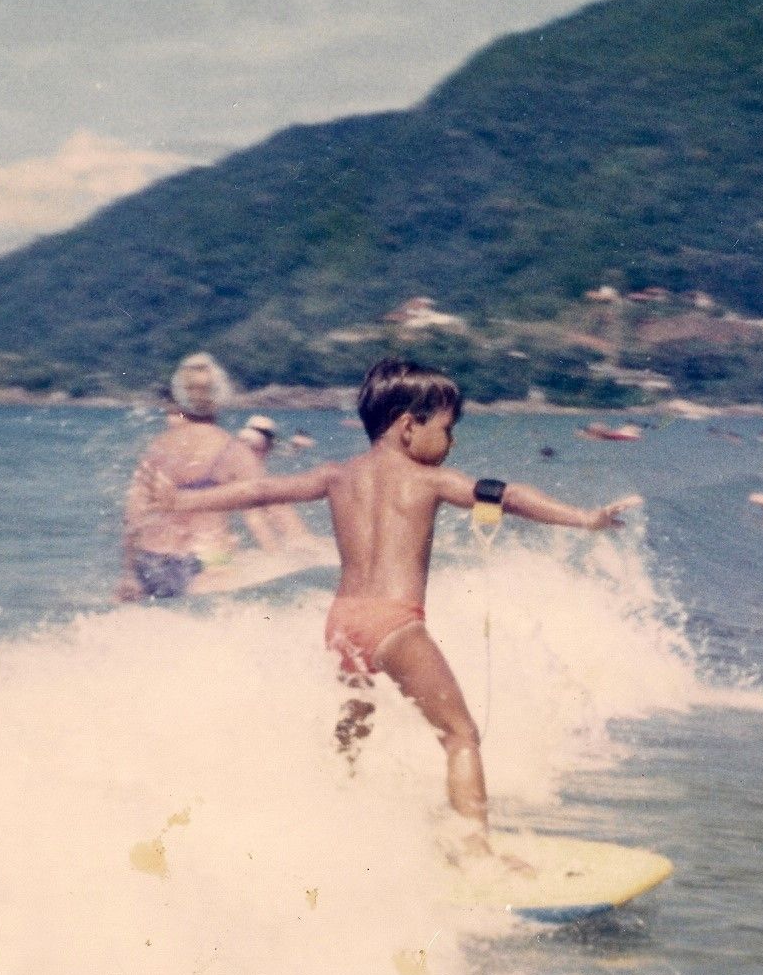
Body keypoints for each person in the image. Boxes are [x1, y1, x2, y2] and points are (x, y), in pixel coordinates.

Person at [151, 358, 638, 856]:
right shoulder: (431, 481)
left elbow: (258, 490)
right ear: (409, 426)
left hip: (342, 624)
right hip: (393, 623)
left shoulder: (336, 475)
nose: (450, 443)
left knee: (354, 727)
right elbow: (506, 496)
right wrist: (585, 519)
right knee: (460, 734)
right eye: (447, 429)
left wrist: (181, 504)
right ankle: (475, 856)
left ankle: (334, 820)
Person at [117, 352, 263, 600]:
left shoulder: (157, 446)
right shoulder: (234, 450)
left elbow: (134, 513)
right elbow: (262, 510)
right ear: (220, 395)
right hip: (208, 561)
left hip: (152, 558)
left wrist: (129, 574)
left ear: (180, 397)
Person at [236, 414, 312, 551]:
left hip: (245, 482)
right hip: (258, 482)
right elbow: (287, 452)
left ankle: (272, 549)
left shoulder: (242, 441)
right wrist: (298, 445)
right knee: (273, 508)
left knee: (254, 513)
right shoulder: (266, 441)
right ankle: (295, 542)